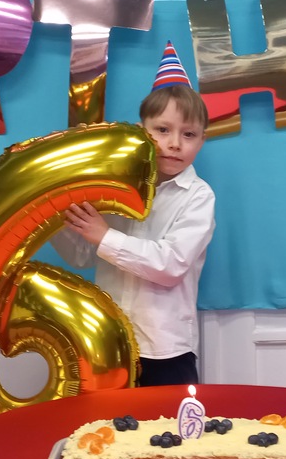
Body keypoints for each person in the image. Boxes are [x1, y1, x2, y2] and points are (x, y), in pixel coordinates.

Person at [51, 40, 216, 387]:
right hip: (109, 342)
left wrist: (104, 235)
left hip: (165, 348)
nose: (174, 143)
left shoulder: (198, 196)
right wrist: (58, 215)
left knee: (169, 422)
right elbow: (82, 256)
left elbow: (170, 265)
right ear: (142, 131)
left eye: (188, 134)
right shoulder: (115, 187)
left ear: (202, 141)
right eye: (162, 130)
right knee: (110, 422)